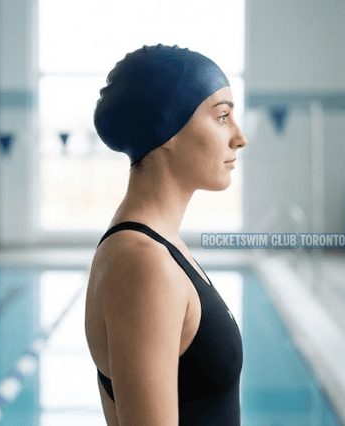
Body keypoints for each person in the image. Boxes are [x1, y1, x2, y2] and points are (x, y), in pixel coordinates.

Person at [84, 44, 247, 425]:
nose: (239, 138)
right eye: (222, 117)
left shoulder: (159, 246)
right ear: (167, 128)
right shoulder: (144, 264)